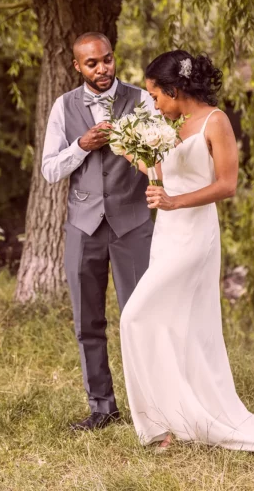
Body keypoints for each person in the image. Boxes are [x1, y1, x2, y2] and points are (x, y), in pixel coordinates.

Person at [118, 50, 254, 455]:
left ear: (175, 90)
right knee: (166, 323)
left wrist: (175, 203)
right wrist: (130, 152)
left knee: (135, 316)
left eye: (156, 95)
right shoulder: (166, 123)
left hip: (195, 234)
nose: (153, 103)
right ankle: (168, 423)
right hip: (166, 233)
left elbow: (226, 185)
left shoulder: (216, 122)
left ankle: (172, 420)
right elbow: (161, 172)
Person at [40, 32, 157, 431]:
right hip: (83, 226)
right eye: (92, 63)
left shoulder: (142, 100)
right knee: (87, 321)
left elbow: (160, 156)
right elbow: (50, 170)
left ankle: (151, 409)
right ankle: (102, 408)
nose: (103, 69)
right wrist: (81, 145)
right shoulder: (63, 106)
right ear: (77, 66)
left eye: (107, 60)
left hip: (133, 223)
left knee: (139, 318)